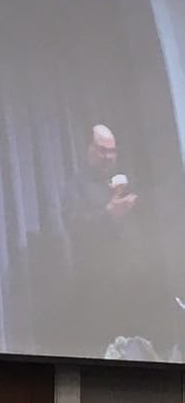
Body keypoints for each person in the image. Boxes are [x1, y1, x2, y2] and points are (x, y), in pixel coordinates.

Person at [62, 124, 173, 358]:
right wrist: (108, 214)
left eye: (112, 151)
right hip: (102, 292)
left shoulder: (123, 184)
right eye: (102, 150)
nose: (108, 157)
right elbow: (76, 228)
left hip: (139, 286)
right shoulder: (75, 186)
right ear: (88, 149)